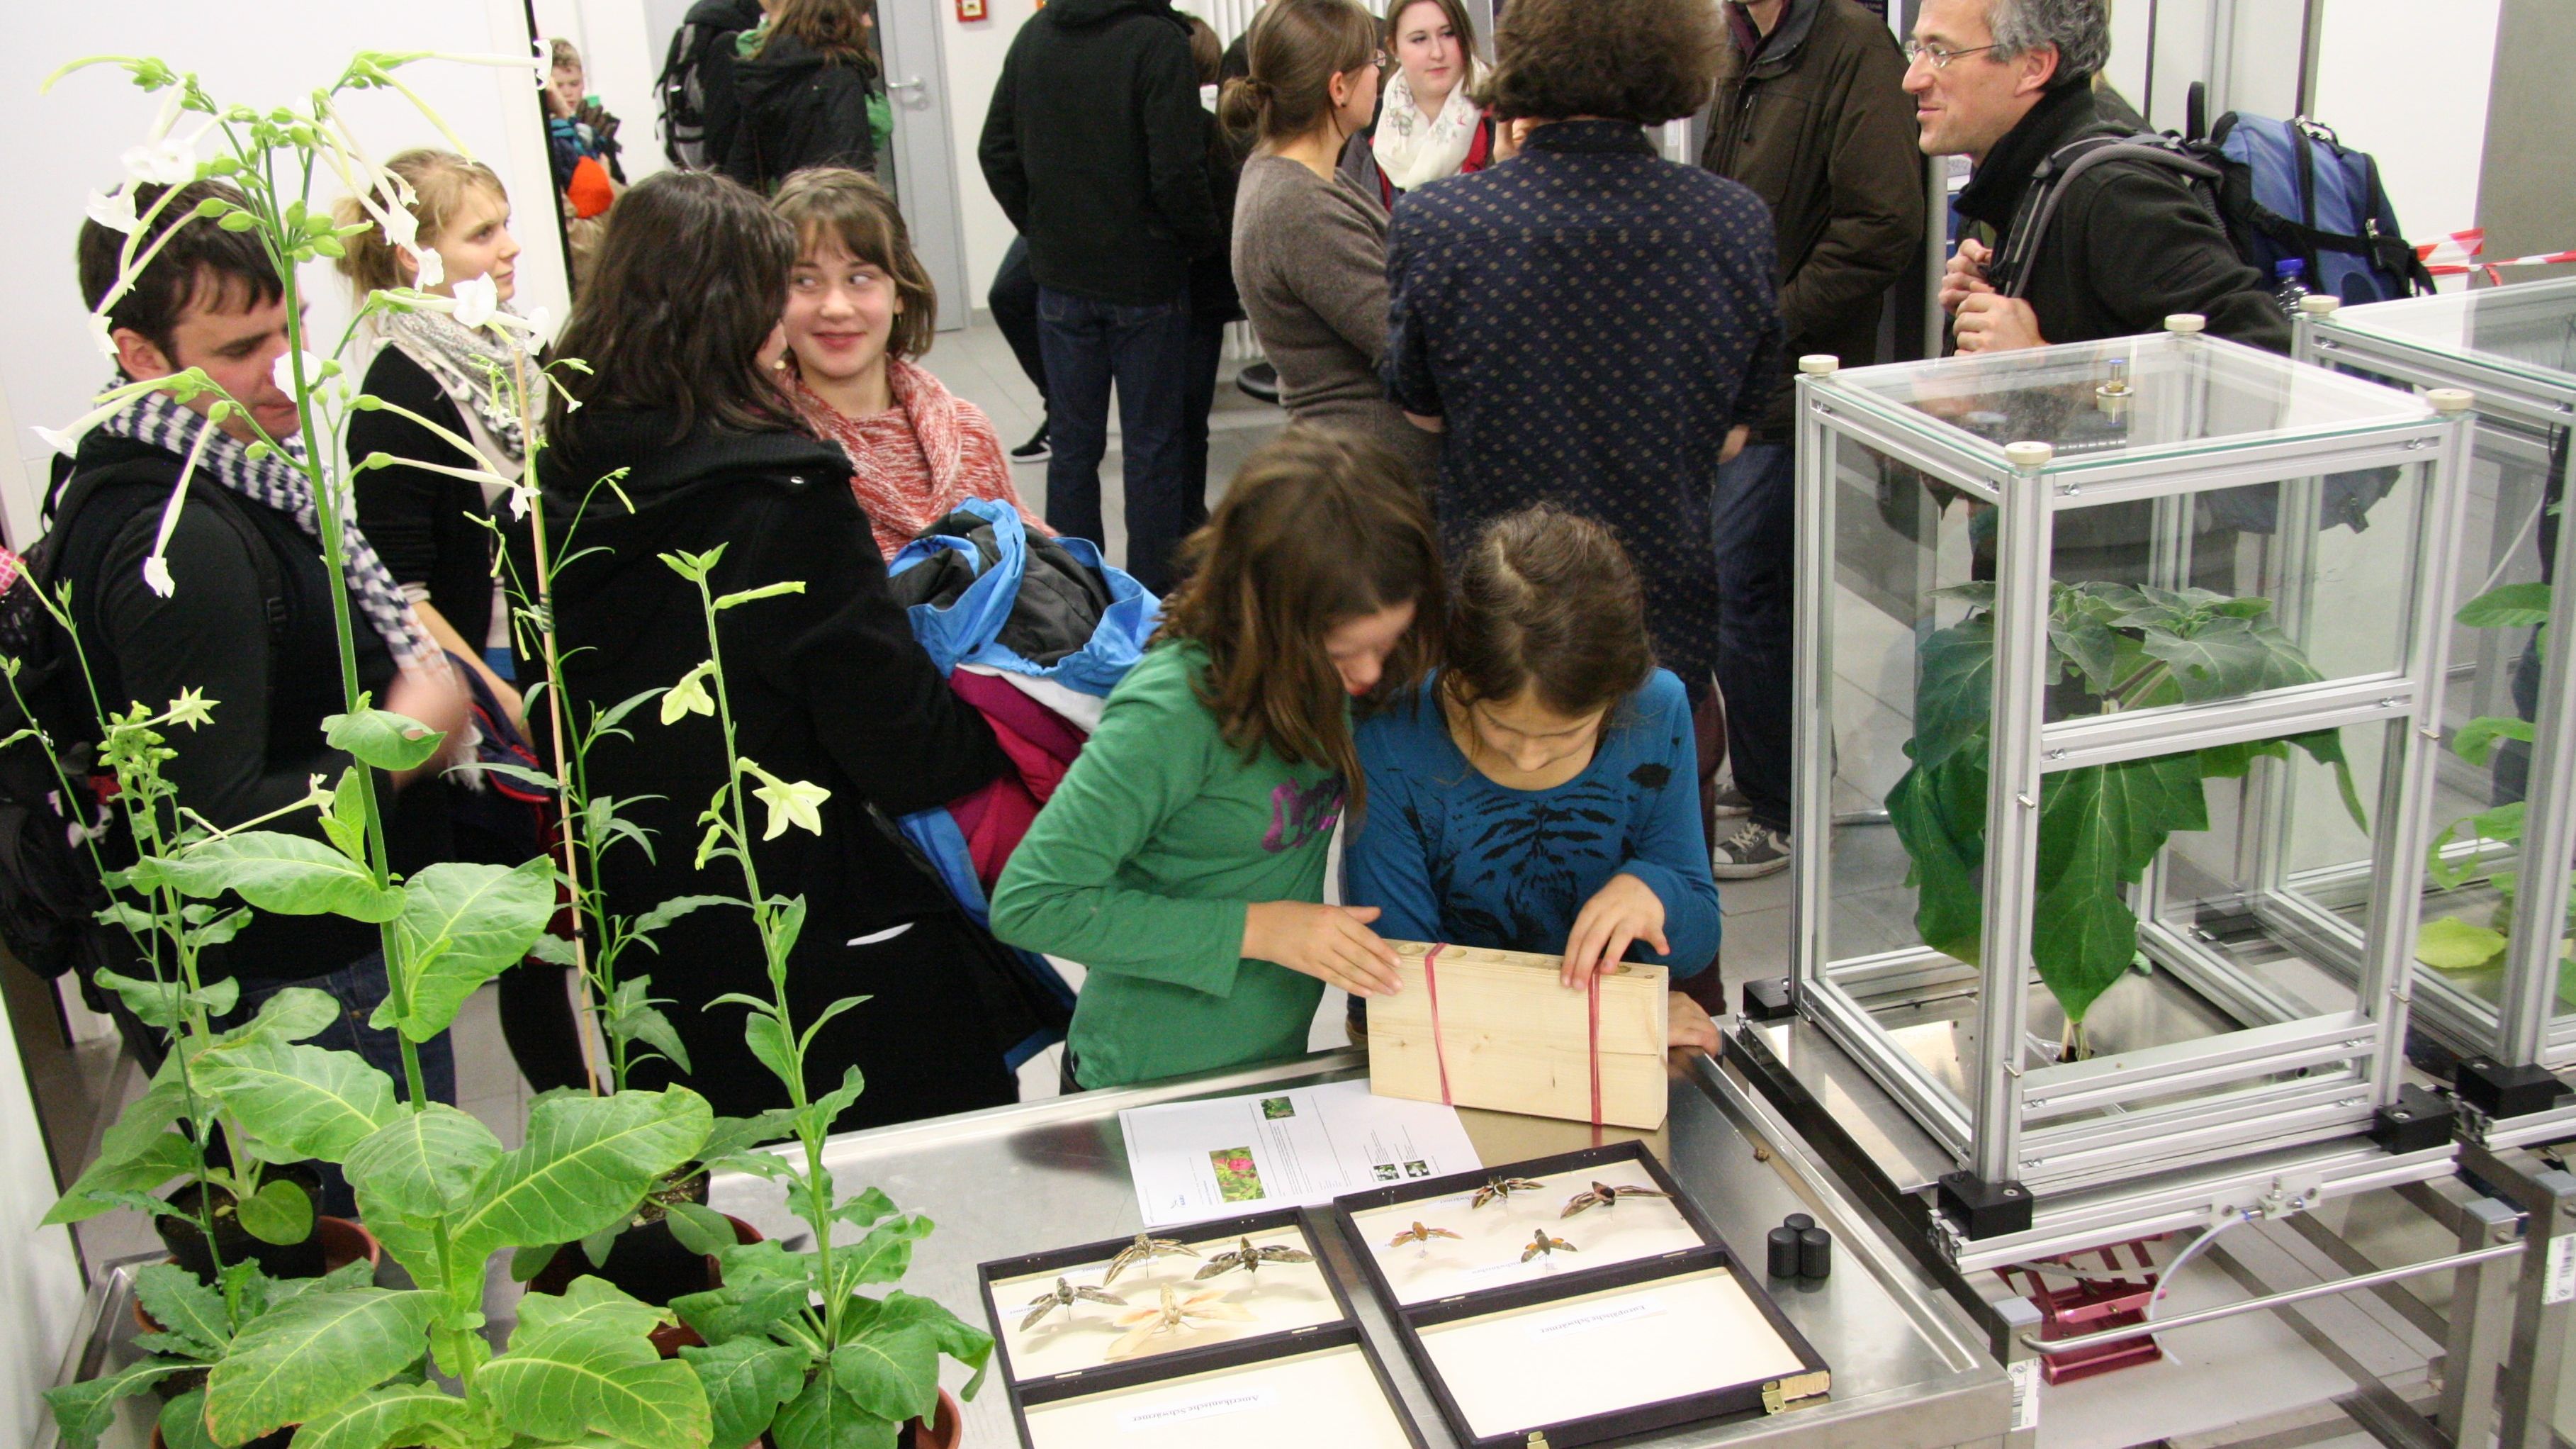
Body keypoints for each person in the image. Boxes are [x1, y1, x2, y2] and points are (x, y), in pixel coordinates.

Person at [525, 170, 1026, 1128]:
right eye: (784, 288)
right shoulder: (780, 493)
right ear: (734, 312)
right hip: (813, 914)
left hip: (648, 909)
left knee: (720, 1174)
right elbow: (902, 743)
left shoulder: (559, 475)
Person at [57, 179, 468, 1116]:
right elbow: (220, 827)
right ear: (138, 353)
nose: (288, 371)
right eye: (242, 350)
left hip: (325, 968)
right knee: (392, 1251)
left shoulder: (222, 472)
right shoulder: (179, 539)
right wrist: (407, 739)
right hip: (304, 995)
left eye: (292, 329)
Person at [1383, 0, 1780, 855]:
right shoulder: (1732, 221)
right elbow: (1732, 435)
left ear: (1520, 52)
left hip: (1497, 620)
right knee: (1658, 881)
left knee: (1488, 878)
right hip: (1658, 613)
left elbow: (1420, 410)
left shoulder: (1440, 223)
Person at [991, 428, 1445, 1091]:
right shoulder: (1172, 711)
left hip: (1270, 1056)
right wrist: (1258, 929)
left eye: (1387, 643)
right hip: (1147, 1073)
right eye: (1342, 653)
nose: (1369, 675)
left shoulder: (1338, 672)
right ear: (1262, 618)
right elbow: (1032, 903)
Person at [334, 151, 592, 1095]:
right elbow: (401, 594)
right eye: (481, 232)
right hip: (496, 691)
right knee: (530, 932)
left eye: (506, 221)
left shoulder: (511, 357)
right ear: (414, 257)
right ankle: (576, 1121)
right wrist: (504, 708)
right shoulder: (394, 400)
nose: (514, 245)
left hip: (552, 658)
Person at [1911, 0, 2283, 587]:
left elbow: (2261, 362)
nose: (1914, 77)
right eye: (1918, 49)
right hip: (2067, 567)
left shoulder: (2115, 190)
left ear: (2033, 66)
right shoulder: (2033, 169)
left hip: (2128, 604)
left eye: (1940, 51)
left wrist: (2042, 365)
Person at [1345, 508, 1726, 1038]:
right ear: (1458, 676)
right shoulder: (1391, 734)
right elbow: (1396, 978)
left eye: (1564, 735)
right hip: (1447, 1047)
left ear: (1616, 697)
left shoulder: (1657, 709)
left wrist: (1656, 892)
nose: (1527, 757)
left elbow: (1696, 944)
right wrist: (1606, 1021)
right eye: (1499, 726)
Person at [1697, 0, 1923, 878]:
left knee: (1742, 580)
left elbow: (1882, 226)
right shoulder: (1740, 42)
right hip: (1735, 373)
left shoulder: (1851, 46)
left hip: (1794, 380)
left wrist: (1768, 319)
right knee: (1748, 590)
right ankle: (1776, 774)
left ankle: (1783, 804)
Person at [979, 0, 1222, 596]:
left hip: (1062, 280)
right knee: (1153, 454)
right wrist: (1197, 242)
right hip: (1147, 282)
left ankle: (1075, 594)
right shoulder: (1158, 40)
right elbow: (1176, 170)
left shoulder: (1034, 35)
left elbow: (996, 151)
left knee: (1073, 446)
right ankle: (1149, 605)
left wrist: (1044, 232)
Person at [771, 166, 1047, 559]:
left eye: (860, 278)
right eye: (805, 281)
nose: (835, 307)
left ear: (899, 292)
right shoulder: (762, 453)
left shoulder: (968, 436)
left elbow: (1035, 565)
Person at [1228, 0, 1440, 491]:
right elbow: (1404, 344)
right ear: (1338, 87)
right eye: (1374, 63)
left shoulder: (1301, 178)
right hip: (1369, 484)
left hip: (1368, 469)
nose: (1380, 77)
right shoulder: (1295, 205)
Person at [1181, 15, 1247, 518]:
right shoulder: (1212, 127)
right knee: (1189, 422)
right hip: (1202, 290)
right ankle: (1190, 516)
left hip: (1184, 288)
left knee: (1172, 425)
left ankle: (1188, 518)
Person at [1339, 0, 1495, 207]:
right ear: (1394, 47)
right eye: (1419, 39)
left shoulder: (1500, 112)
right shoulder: (1369, 121)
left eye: (1448, 34)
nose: (1437, 53)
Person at [724, 0, 881, 192]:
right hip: (832, 210)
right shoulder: (838, 74)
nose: (868, 23)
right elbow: (854, 171)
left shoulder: (766, 70)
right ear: (838, 16)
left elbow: (741, 168)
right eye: (862, 12)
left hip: (787, 206)